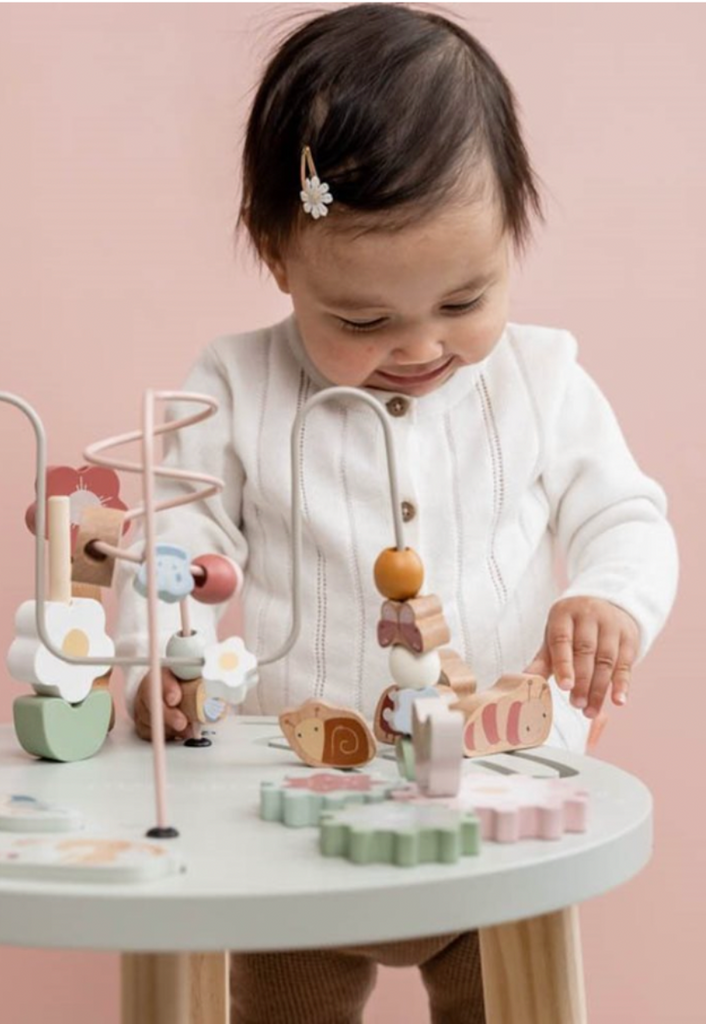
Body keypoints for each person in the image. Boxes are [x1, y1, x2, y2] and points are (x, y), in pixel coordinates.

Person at [112, 5, 679, 1022]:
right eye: (361, 320)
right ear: (279, 260)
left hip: (502, 807)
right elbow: (174, 545)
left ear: (515, 236)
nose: (418, 347)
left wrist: (608, 598)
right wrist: (164, 658)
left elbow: (625, 516)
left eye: (464, 302)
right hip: (289, 818)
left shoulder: (543, 381)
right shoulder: (236, 387)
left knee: (515, 1006)